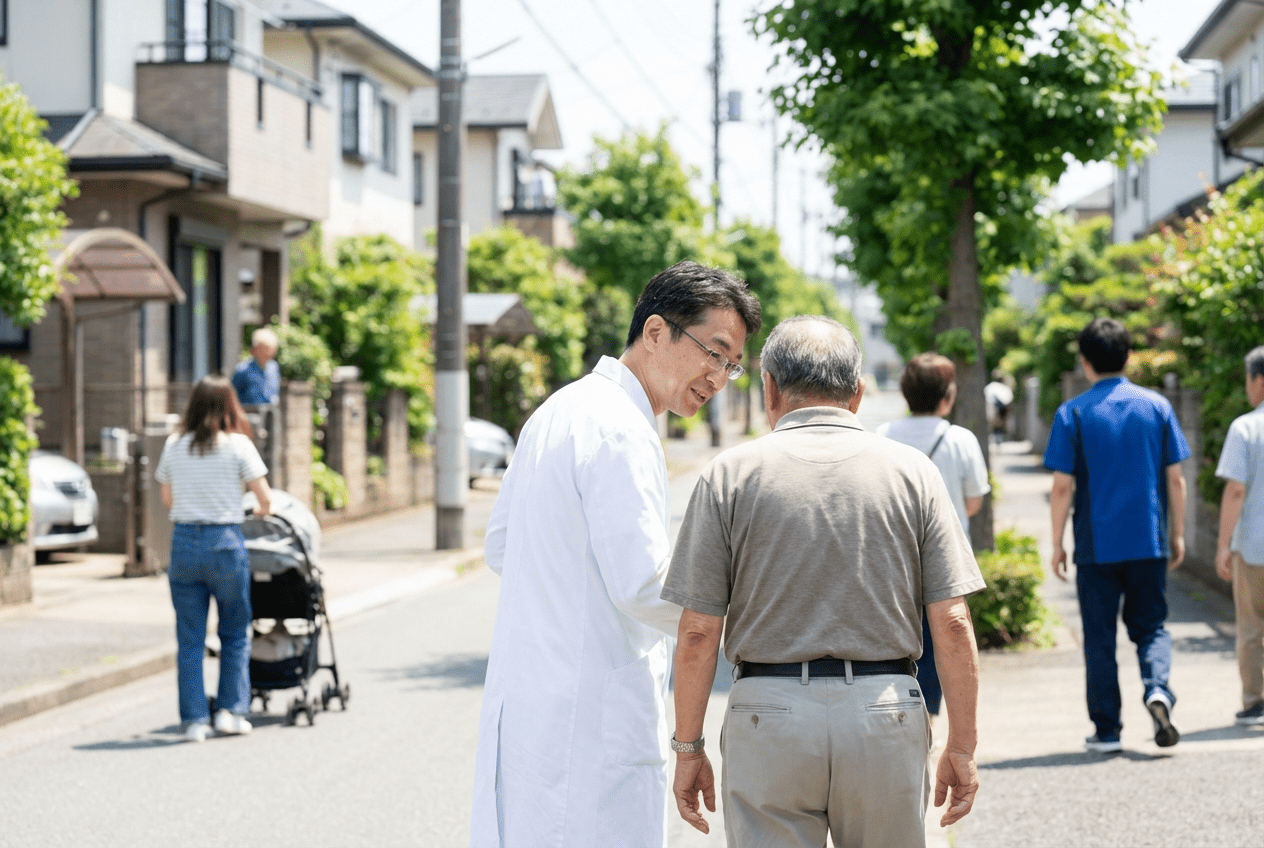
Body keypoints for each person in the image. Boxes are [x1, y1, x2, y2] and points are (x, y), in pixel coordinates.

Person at [469, 261, 762, 847]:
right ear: (656, 332)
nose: (719, 376)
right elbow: (645, 584)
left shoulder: (559, 409)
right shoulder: (622, 429)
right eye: (715, 352)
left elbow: (500, 544)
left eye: (731, 366)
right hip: (590, 723)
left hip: (532, 706)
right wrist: (750, 623)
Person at [664, 316, 984, 847]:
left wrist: (689, 747)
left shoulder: (729, 474)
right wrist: (962, 746)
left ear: (769, 387)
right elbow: (951, 621)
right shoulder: (913, 472)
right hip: (885, 712)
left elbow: (698, 631)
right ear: (857, 393)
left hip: (768, 715)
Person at [1044, 317, 1190, 753]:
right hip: (1148, 539)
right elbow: (1176, 479)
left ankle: (1107, 730)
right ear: (1129, 357)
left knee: (1100, 637)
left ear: (1085, 362)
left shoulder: (1072, 412)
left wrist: (1056, 543)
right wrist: (1177, 534)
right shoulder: (1157, 407)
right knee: (1151, 627)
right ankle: (1158, 688)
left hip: (1096, 544)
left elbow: (1062, 486)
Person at [155, 375, 273, 743]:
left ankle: (194, 721)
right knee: (235, 631)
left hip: (185, 543)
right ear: (229, 406)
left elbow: (167, 499)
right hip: (225, 542)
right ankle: (229, 712)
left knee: (190, 637)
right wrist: (252, 510)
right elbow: (265, 499)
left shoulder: (175, 444)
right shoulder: (238, 445)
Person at [878, 352, 990, 725]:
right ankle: (926, 719)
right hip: (945, 559)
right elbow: (974, 501)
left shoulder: (883, 436)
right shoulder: (961, 440)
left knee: (898, 640)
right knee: (942, 638)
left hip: (894, 558)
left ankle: (899, 713)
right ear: (947, 396)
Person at [1214, 344, 1264, 727]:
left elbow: (1235, 490)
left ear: (1258, 381)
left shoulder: (1246, 427)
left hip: (1254, 546)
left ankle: (1254, 702)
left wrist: (1222, 546)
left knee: (1251, 627)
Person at [231, 327, 281, 405]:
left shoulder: (274, 367)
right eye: (266, 348)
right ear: (256, 349)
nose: (271, 352)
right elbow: (233, 395)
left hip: (269, 413)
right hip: (249, 413)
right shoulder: (243, 369)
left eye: (273, 348)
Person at [984, 371, 1015, 446]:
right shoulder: (1005, 388)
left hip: (991, 411)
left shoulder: (989, 387)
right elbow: (1009, 399)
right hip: (1002, 413)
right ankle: (999, 443)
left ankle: (995, 443)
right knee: (999, 428)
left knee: (993, 428)